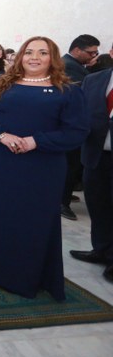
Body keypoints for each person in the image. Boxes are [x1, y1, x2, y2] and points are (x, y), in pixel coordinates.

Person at [0, 36, 89, 301]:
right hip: (3, 162)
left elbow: (76, 132)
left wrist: (37, 141)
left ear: (52, 58)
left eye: (42, 53)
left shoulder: (67, 90)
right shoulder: (1, 83)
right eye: (29, 52)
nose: (34, 57)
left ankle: (24, 277)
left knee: (33, 218)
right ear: (20, 56)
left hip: (43, 167)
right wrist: (1, 135)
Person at [71, 44, 113, 283]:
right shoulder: (94, 79)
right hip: (95, 154)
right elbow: (81, 112)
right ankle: (101, 249)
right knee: (98, 205)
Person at [61, 34, 101, 220]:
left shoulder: (77, 66)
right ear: (77, 50)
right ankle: (62, 201)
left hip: (73, 124)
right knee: (70, 165)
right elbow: (83, 94)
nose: (94, 56)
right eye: (91, 52)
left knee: (73, 165)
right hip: (70, 124)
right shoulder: (69, 66)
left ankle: (65, 195)